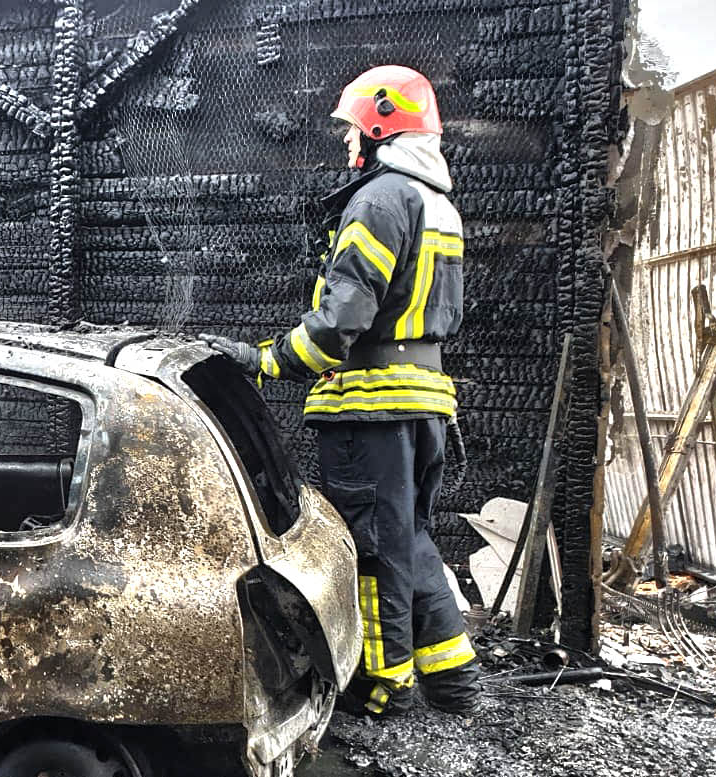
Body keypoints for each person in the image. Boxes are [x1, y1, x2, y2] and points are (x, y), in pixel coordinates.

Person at [201, 65, 481, 716]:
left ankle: (382, 686)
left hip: (371, 407)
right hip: (424, 403)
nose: (346, 140)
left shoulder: (379, 201)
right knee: (409, 537)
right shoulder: (436, 202)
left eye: (352, 128)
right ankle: (454, 678)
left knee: (373, 550)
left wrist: (266, 360)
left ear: (381, 128)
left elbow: (339, 325)